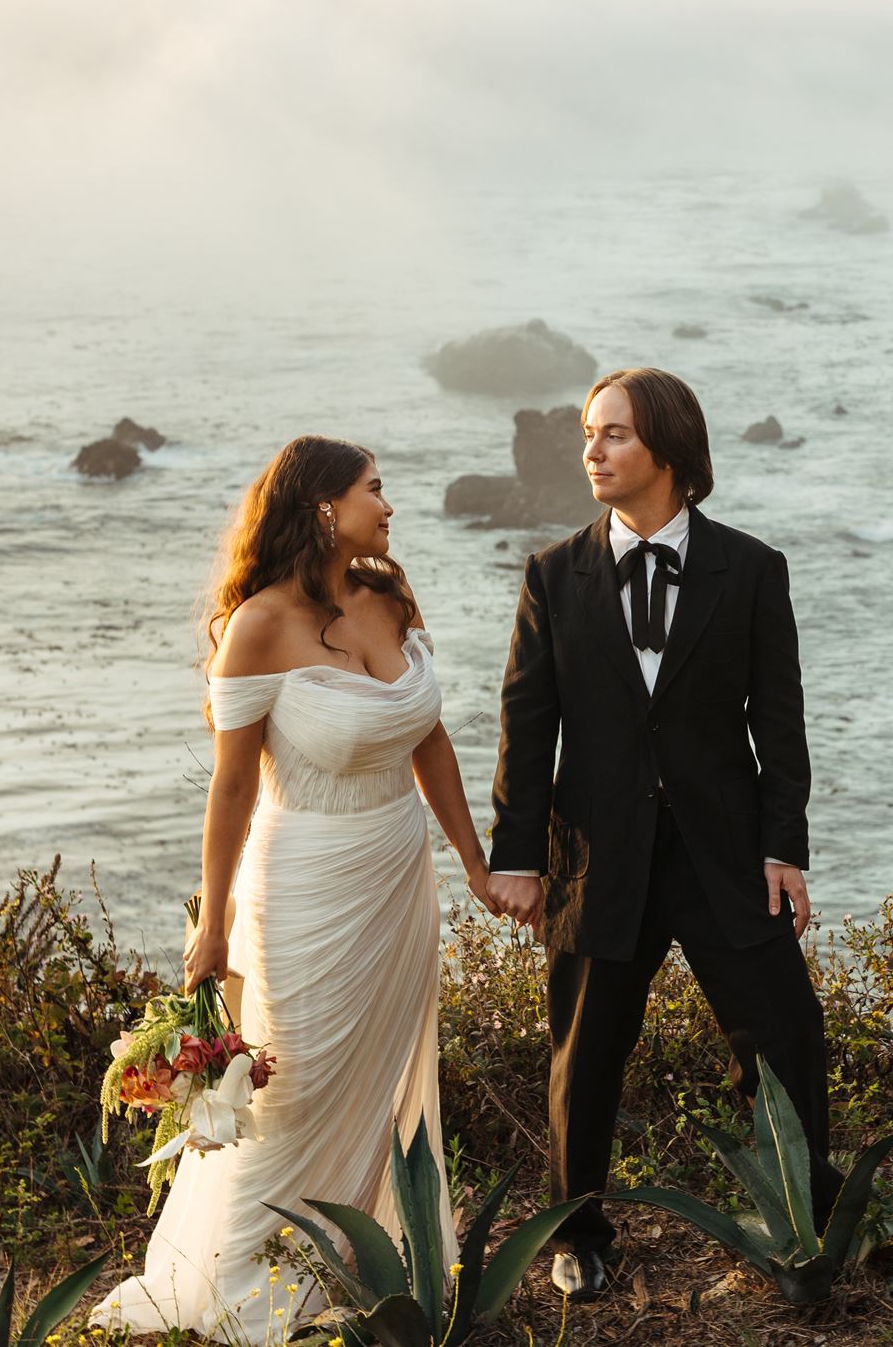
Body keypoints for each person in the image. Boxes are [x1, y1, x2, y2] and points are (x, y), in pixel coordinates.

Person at [93, 435, 492, 1343]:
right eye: (373, 491)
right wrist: (215, 922)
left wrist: (472, 860)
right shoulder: (259, 625)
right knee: (297, 1086)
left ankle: (365, 1266)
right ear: (323, 508)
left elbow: (429, 740)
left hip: (398, 878)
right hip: (307, 884)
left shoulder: (387, 592)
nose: (388, 508)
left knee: (383, 1076)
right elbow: (231, 787)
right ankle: (245, 1275)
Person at [485, 367, 843, 1300]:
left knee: (785, 1034)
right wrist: (517, 856)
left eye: (613, 435)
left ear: (670, 451)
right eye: (589, 435)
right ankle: (577, 1232)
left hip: (723, 853)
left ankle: (799, 1215)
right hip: (598, 858)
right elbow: (526, 726)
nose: (591, 451)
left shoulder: (753, 570)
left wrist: (783, 847)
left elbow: (782, 722)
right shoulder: (552, 575)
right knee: (586, 1048)